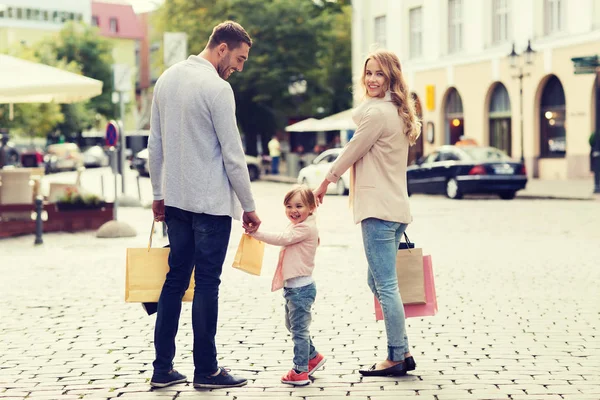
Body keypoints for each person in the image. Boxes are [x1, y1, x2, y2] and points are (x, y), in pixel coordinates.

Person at [147, 20, 261, 389]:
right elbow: (233, 155)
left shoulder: (166, 79)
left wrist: (158, 195)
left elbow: (155, 145)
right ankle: (207, 370)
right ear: (222, 47)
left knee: (174, 280)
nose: (239, 67)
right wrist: (249, 205)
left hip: (177, 203)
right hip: (211, 205)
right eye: (240, 58)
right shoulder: (217, 88)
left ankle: (162, 369)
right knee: (207, 284)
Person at [313, 50, 422, 377]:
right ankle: (402, 349)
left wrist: (324, 182)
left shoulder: (376, 114)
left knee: (385, 285)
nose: (372, 79)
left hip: (378, 211)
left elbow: (351, 152)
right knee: (377, 282)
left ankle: (395, 357)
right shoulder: (397, 112)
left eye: (379, 74)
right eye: (369, 73)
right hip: (396, 208)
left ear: (391, 78)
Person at [248, 186, 326, 386]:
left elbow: (281, 239)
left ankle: (300, 370)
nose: (293, 210)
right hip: (294, 289)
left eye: (299, 206)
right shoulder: (300, 224)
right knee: (291, 325)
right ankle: (313, 357)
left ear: (311, 207)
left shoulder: (305, 227)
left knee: (299, 330)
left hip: (301, 289)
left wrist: (257, 234)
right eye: (289, 206)